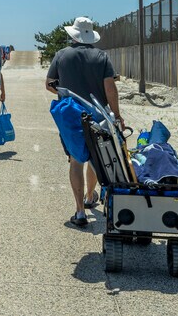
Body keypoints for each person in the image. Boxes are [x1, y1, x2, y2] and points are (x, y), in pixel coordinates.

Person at [45, 16, 123, 227]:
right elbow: (110, 88)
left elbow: (49, 84)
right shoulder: (101, 56)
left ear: (74, 35)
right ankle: (90, 197)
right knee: (96, 157)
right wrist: (116, 114)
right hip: (97, 114)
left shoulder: (61, 55)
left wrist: (64, 93)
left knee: (75, 159)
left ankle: (80, 212)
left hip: (71, 115)